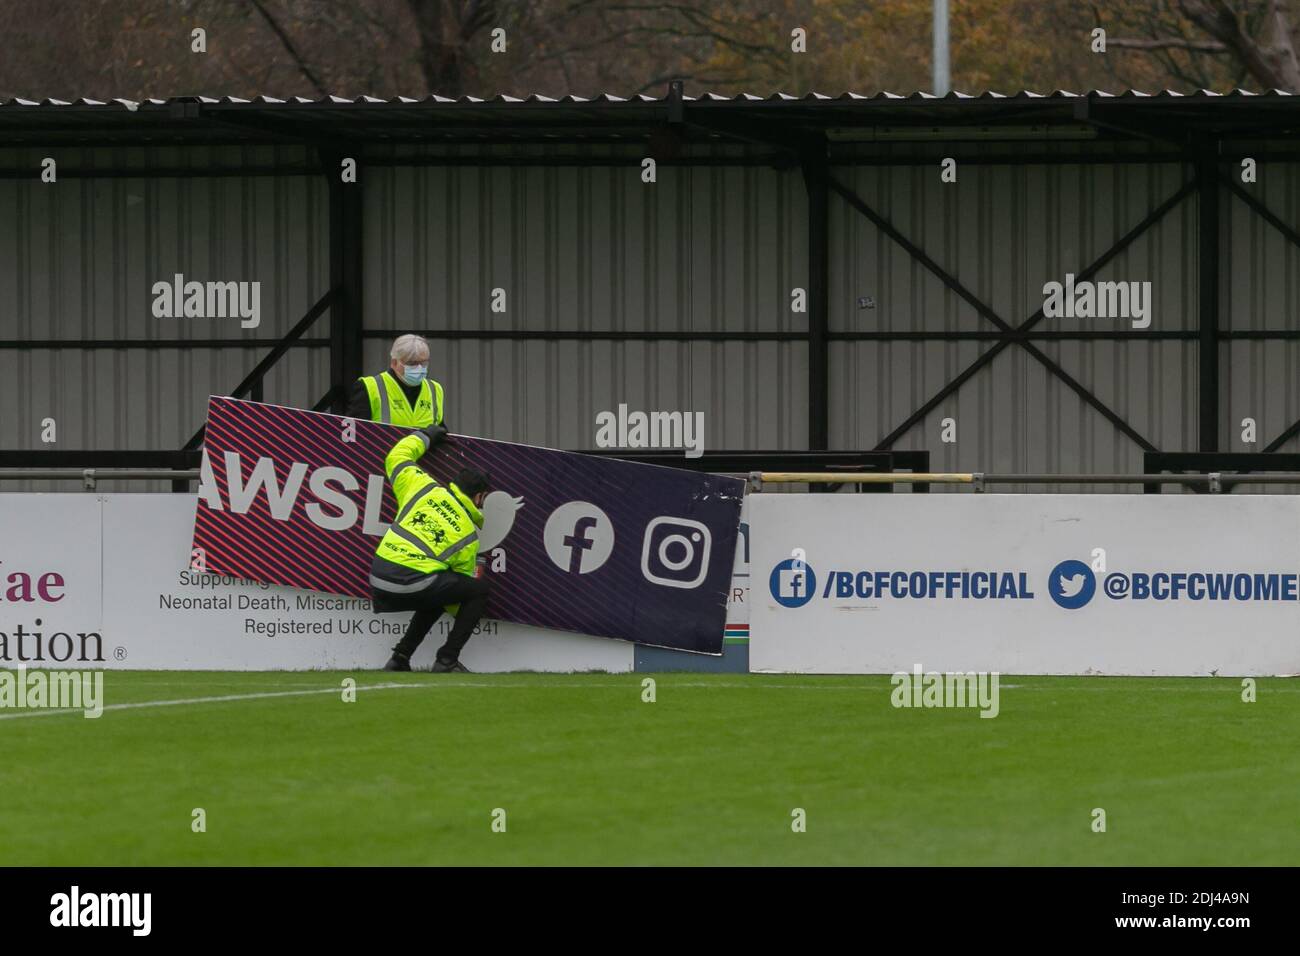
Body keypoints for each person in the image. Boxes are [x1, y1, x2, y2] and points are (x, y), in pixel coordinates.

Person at [370, 424, 492, 673]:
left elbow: (397, 456)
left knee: (438, 586)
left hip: (378, 578)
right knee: (474, 590)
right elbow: (455, 605)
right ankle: (446, 659)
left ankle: (400, 658)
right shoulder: (468, 537)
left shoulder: (422, 487)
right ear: (479, 498)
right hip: (414, 585)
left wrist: (425, 436)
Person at [348, 333, 445, 428]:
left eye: (423, 363)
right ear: (394, 363)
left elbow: (440, 431)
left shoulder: (435, 389)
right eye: (412, 363)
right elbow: (354, 435)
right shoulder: (370, 387)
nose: (419, 368)